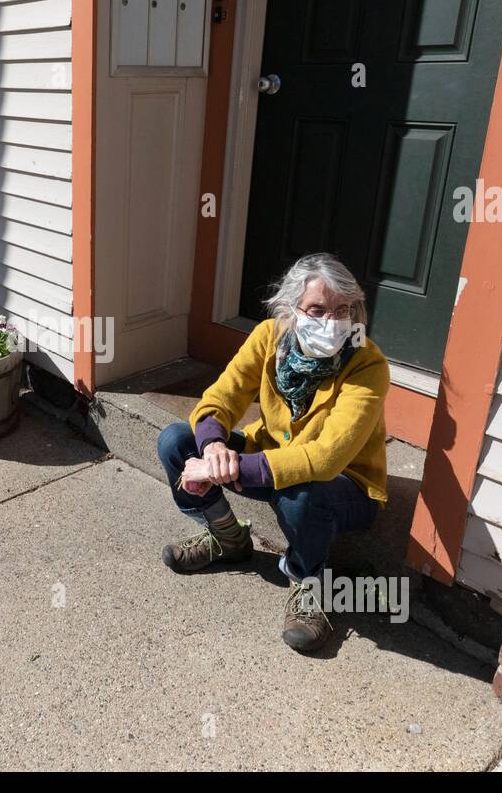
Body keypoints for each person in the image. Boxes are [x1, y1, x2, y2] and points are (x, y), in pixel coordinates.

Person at [156, 253, 389, 653]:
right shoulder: (268, 336)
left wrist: (220, 471)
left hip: (346, 485)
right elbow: (219, 399)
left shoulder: (368, 363)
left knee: (303, 493)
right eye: (317, 309)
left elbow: (326, 458)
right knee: (176, 440)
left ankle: (307, 582)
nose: (331, 322)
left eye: (342, 310)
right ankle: (227, 538)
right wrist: (213, 447)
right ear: (290, 309)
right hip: (271, 455)